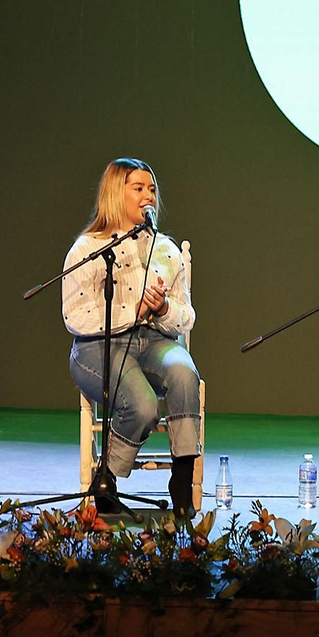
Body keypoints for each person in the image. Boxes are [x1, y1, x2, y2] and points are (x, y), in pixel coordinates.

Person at [63, 158, 200, 518]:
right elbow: (75, 316)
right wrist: (132, 312)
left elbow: (186, 317)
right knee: (142, 404)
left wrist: (163, 308)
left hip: (154, 341)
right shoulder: (87, 248)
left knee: (184, 372)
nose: (147, 196)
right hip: (98, 347)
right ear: (114, 194)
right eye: (137, 189)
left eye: (151, 189)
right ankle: (107, 476)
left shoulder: (166, 250)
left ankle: (182, 478)